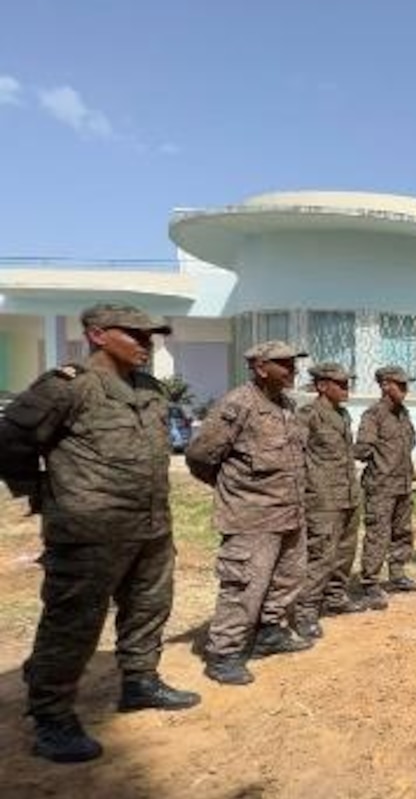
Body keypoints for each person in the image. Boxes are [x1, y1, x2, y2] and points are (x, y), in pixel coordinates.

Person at [0, 304, 199, 762]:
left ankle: (140, 682)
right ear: (97, 335)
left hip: (149, 525)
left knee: (149, 608)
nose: (146, 343)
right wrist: (42, 491)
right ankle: (52, 716)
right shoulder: (68, 387)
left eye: (151, 336)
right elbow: (10, 441)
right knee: (72, 623)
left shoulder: (150, 389)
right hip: (89, 531)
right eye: (135, 335)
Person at [188, 340, 314, 686]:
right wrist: (237, 492)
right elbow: (200, 457)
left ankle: (269, 632)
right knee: (244, 585)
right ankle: (224, 653)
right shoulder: (237, 404)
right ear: (261, 367)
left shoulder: (286, 405)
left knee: (289, 578)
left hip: (289, 511)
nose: (292, 370)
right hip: (251, 517)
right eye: (284, 364)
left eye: (293, 364)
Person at [296, 361, 366, 636]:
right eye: (341, 384)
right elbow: (296, 455)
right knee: (320, 556)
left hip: (348, 495)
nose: (347, 388)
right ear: (322, 386)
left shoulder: (343, 416)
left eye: (348, 383)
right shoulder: (308, 415)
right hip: (322, 499)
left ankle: (335, 598)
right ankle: (306, 611)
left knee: (344, 553)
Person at [354, 365, 416, 599]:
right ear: (385, 386)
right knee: (378, 534)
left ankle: (397, 574)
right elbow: (362, 450)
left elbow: (410, 442)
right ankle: (370, 582)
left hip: (403, 483)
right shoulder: (373, 415)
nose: (405, 390)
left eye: (406, 385)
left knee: (402, 531)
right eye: (400, 385)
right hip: (381, 486)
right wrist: (381, 461)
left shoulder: (404, 413)